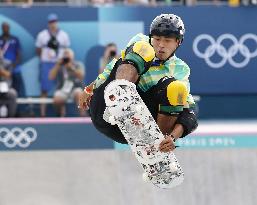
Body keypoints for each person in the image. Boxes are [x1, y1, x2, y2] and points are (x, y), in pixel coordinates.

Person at [79, 14, 198, 152]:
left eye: (167, 41)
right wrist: (89, 89)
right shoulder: (141, 40)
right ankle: (119, 100)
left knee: (176, 88)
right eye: (157, 39)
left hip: (138, 127)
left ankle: (156, 147)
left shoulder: (181, 69)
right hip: (105, 111)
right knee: (143, 48)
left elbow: (190, 112)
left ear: (178, 42)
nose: (160, 45)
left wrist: (172, 137)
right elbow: (113, 66)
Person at [35, 13, 70, 117]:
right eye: (50, 22)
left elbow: (67, 50)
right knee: (44, 89)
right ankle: (42, 114)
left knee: (61, 88)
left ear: (57, 22)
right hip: (46, 64)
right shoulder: (42, 35)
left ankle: (62, 114)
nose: (53, 24)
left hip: (60, 64)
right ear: (48, 23)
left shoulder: (63, 35)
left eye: (54, 21)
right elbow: (38, 50)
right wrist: (45, 57)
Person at [49, 48, 85, 117]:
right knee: (57, 100)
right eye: (65, 55)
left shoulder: (78, 64)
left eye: (68, 55)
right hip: (62, 89)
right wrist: (57, 65)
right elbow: (51, 77)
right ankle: (60, 115)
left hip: (75, 88)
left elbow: (81, 76)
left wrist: (71, 68)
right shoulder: (60, 65)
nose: (66, 57)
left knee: (79, 93)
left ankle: (83, 116)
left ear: (72, 56)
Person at [0, 22, 24, 97]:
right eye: (4, 27)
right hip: (2, 68)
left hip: (14, 66)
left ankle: (19, 106)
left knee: (17, 85)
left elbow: (19, 54)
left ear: (9, 28)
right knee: (4, 88)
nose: (5, 29)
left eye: (7, 27)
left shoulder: (15, 39)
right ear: (2, 28)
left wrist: (13, 65)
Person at [0, 49, 17, 117]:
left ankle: (11, 118)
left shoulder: (7, 63)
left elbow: (8, 74)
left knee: (13, 93)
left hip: (5, 87)